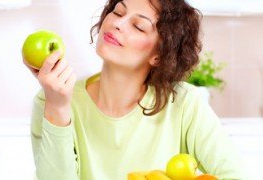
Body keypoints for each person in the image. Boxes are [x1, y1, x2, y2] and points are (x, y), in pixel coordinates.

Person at [25, 0, 247, 179]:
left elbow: (235, 175)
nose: (118, 24)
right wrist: (58, 107)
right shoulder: (52, 99)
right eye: (118, 12)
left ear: (159, 55)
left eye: (138, 26)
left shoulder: (185, 103)